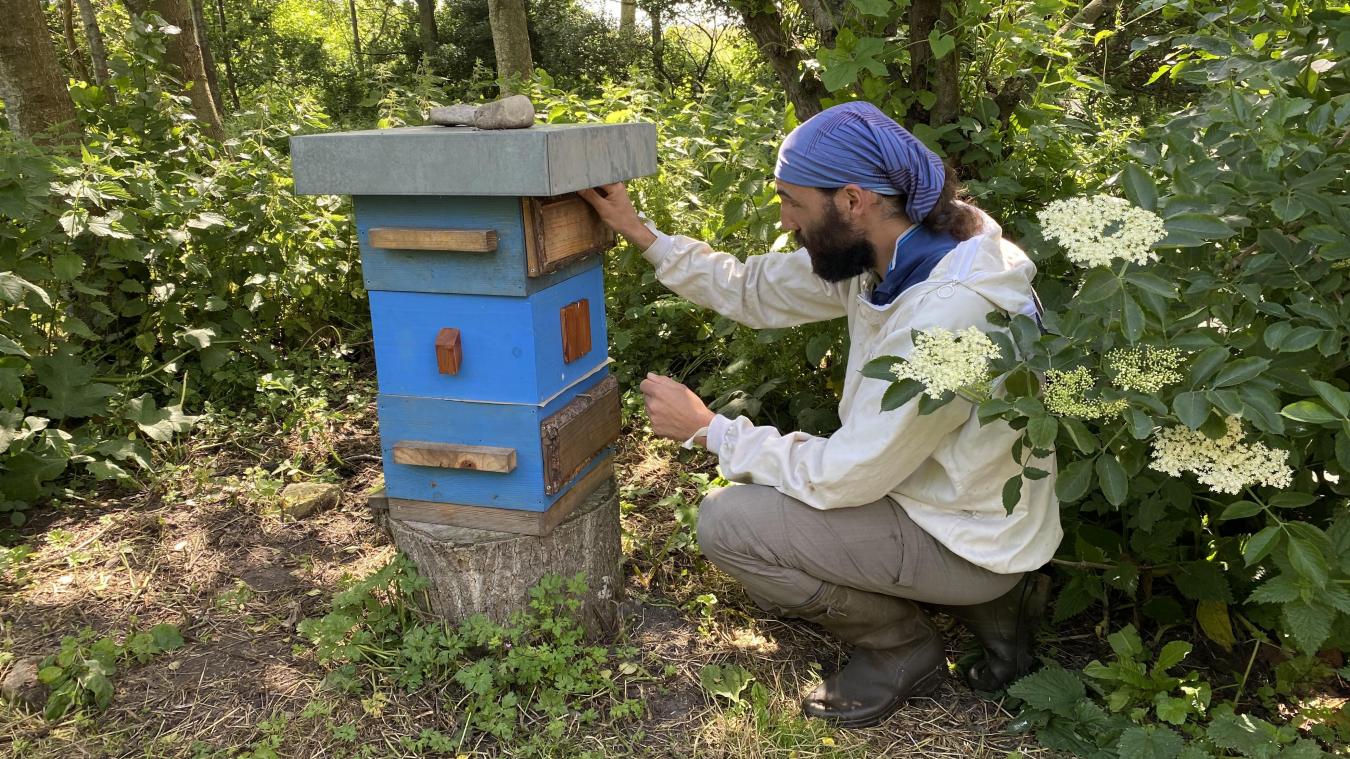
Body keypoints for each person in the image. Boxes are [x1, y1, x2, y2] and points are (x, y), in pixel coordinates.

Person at [579, 101, 1062, 728]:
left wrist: (711, 430)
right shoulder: (906, 245)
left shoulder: (950, 315)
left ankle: (903, 647)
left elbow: (847, 475)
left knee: (729, 524)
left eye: (793, 202)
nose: (785, 221)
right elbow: (755, 288)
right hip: (968, 505)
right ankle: (1001, 605)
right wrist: (639, 230)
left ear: (854, 199)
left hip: (964, 533)